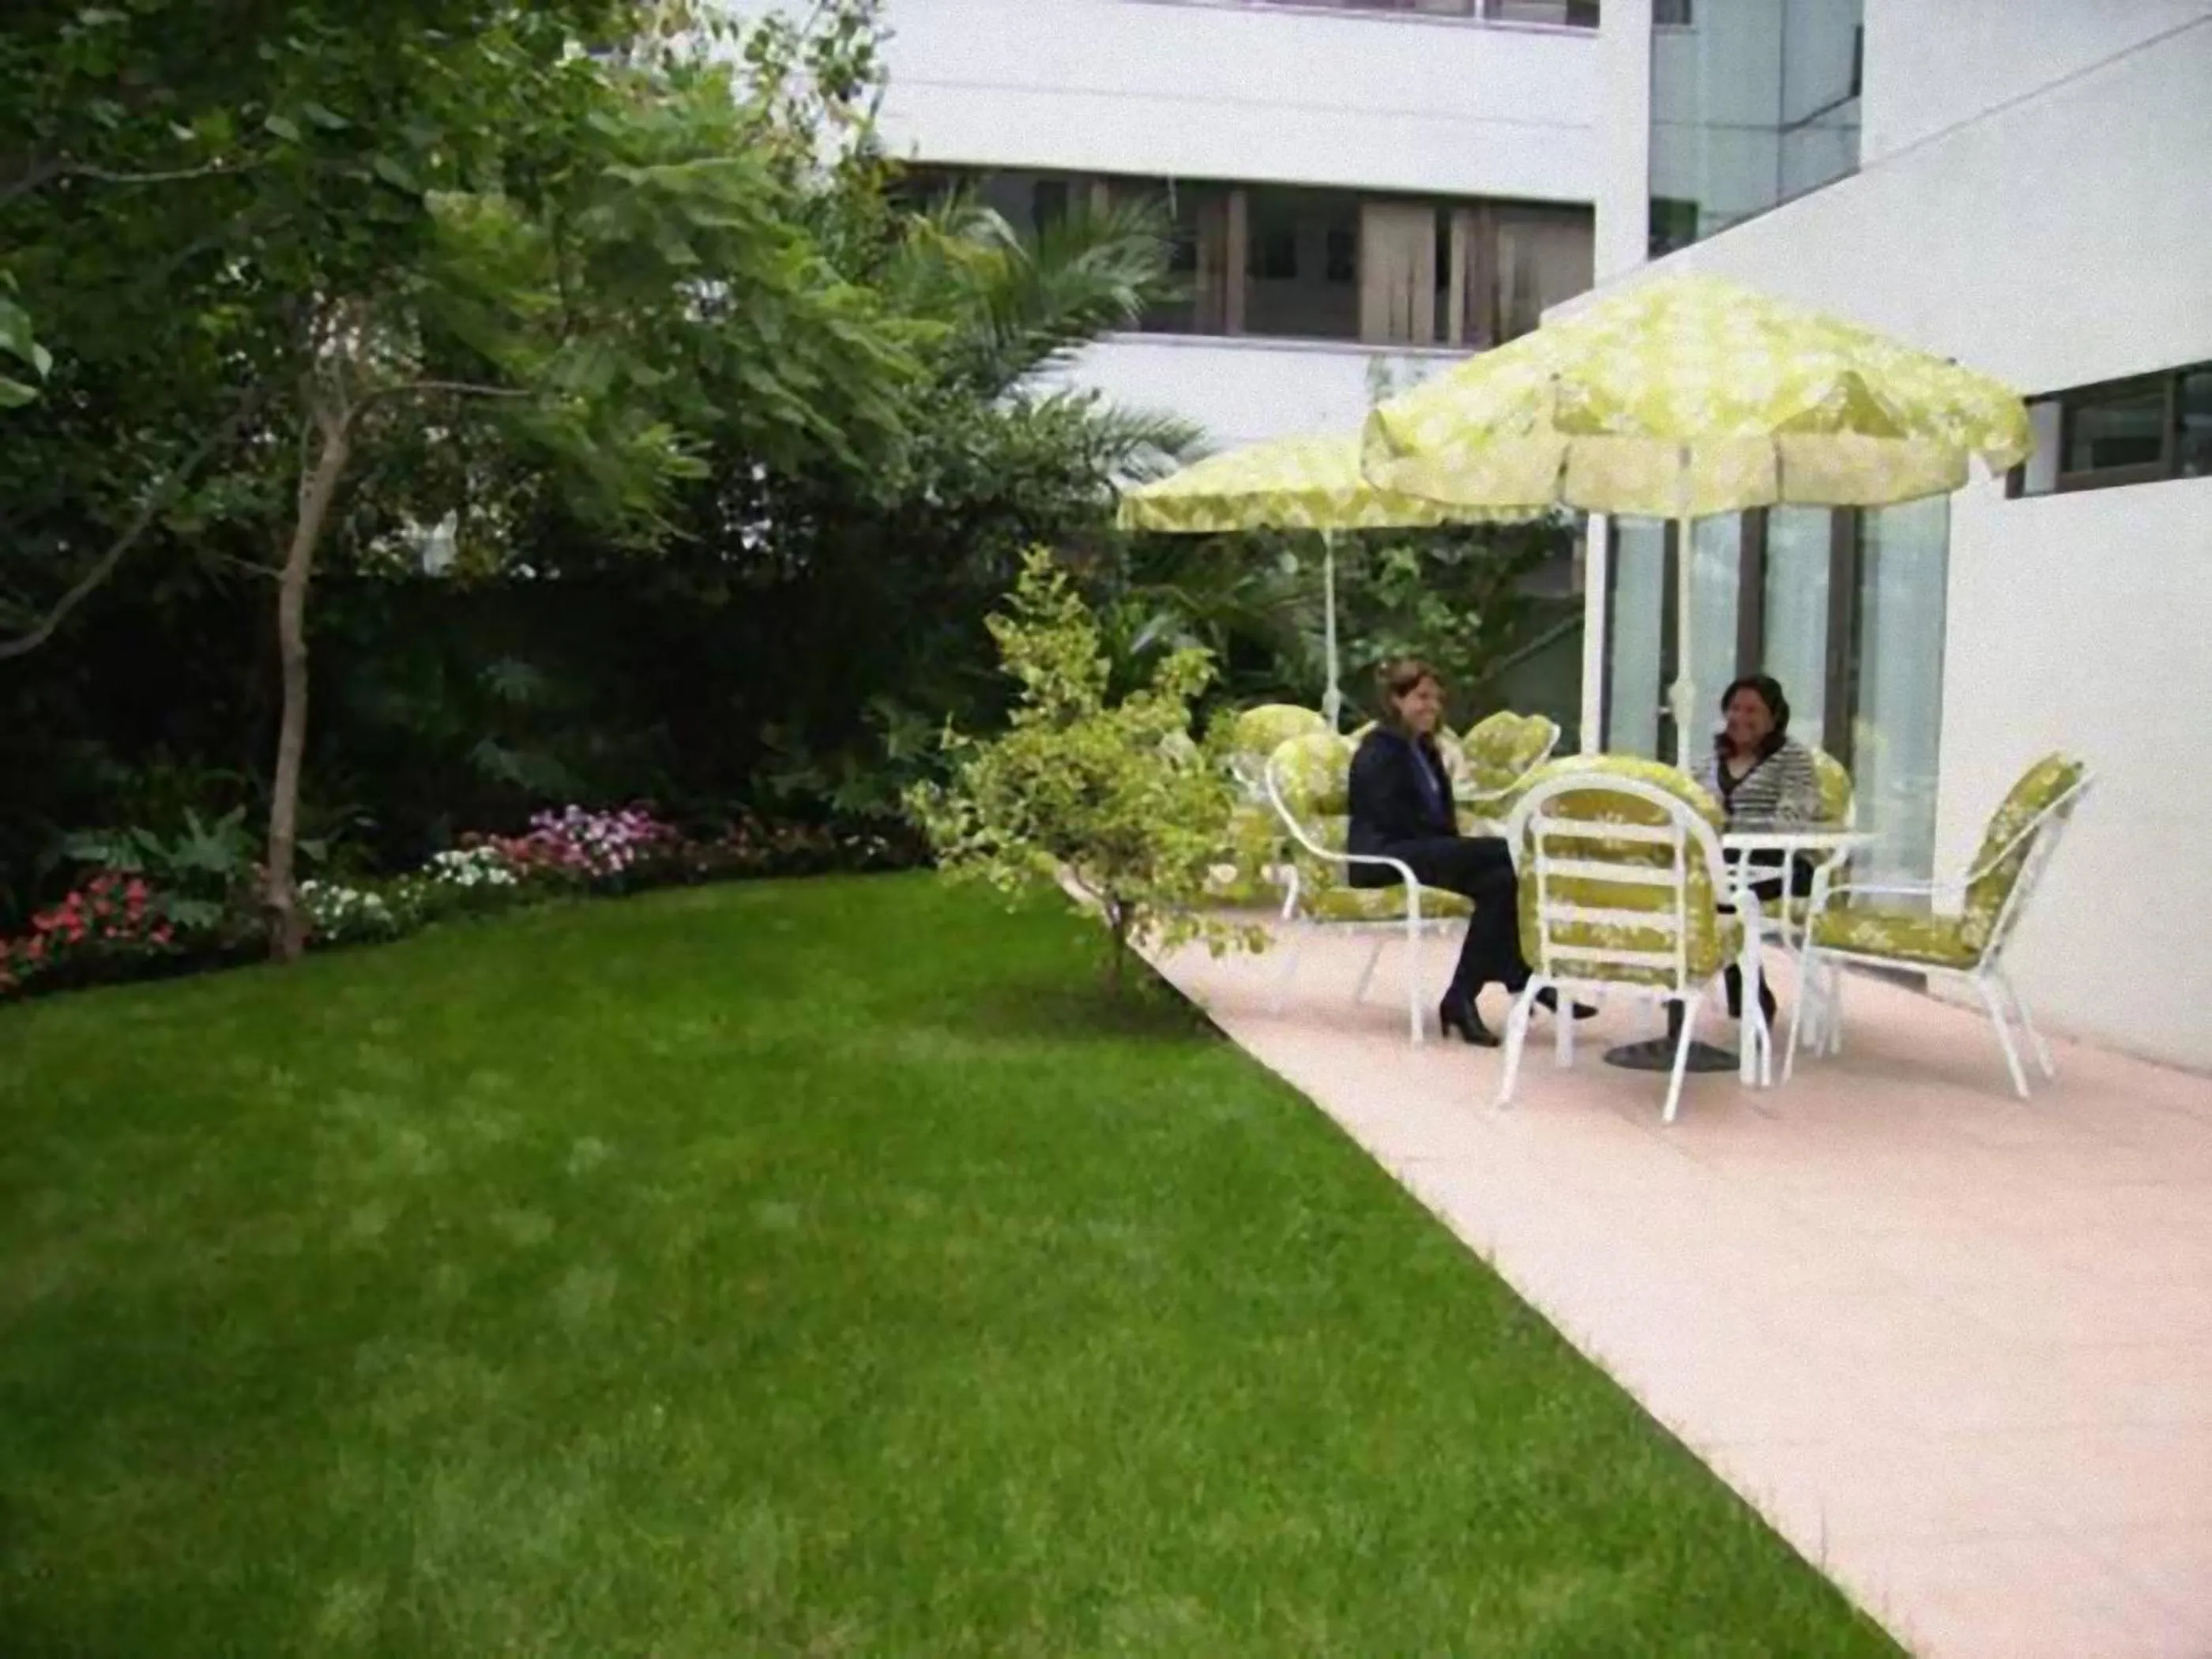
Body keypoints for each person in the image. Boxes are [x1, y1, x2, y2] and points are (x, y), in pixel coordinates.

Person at [1346, 660, 1594, 1048]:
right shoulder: (1378, 752)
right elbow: (1388, 816)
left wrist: (1452, 849)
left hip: (1424, 851)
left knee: (1502, 882)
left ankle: (1463, 996)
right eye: (1421, 698)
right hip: (1384, 857)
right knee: (1508, 853)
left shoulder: (1424, 748)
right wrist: (1452, 849)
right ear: (1396, 700)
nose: (1432, 707)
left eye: (1436, 699)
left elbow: (1440, 814)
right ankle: (1522, 973)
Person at [1691, 674, 1824, 1030]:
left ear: (1774, 717)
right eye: (1734, 708)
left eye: (1753, 710)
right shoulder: (1709, 761)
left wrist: (1730, 825)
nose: (1741, 717)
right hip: (1725, 864)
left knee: (1719, 894)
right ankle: (1746, 991)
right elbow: (1688, 806)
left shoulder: (1792, 758)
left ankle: (1746, 991)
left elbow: (1793, 817)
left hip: (1782, 865)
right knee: (1706, 889)